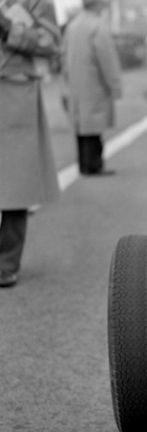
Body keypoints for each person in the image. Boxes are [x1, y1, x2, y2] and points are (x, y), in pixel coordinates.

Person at [0, 0, 61, 288]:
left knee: (14, 185)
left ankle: (6, 263)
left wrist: (9, 27)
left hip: (15, 90)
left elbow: (49, 41)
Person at [62, 0, 122, 176]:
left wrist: (65, 83)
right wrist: (115, 84)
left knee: (81, 125)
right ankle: (94, 165)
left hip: (74, 84)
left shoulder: (72, 26)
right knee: (94, 127)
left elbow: (63, 55)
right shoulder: (97, 26)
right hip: (94, 83)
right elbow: (107, 59)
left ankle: (84, 164)